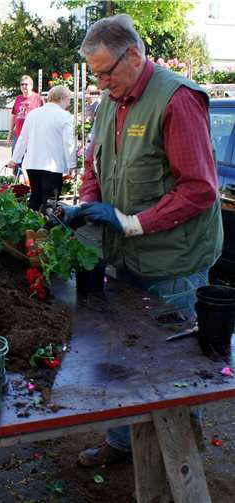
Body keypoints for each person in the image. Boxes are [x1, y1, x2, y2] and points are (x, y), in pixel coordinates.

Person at [61, 14, 222, 468]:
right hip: (125, 256)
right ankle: (122, 444)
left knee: (174, 367)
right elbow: (94, 165)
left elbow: (199, 188)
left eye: (107, 70)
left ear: (134, 55)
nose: (101, 82)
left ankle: (180, 462)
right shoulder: (110, 102)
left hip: (175, 263)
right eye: (95, 74)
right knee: (122, 352)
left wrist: (132, 223)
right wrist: (88, 205)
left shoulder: (177, 100)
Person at [7, 85, 75, 212]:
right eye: (68, 100)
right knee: (50, 203)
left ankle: (29, 227)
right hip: (53, 166)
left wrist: (15, 159)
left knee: (35, 198)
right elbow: (69, 142)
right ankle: (47, 229)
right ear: (62, 98)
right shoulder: (65, 116)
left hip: (33, 164)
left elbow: (22, 139)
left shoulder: (33, 114)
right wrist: (72, 164)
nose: (68, 104)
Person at [7, 75, 44, 151]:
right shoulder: (18, 98)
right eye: (22, 84)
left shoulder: (38, 98)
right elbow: (13, 116)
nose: (24, 86)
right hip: (18, 136)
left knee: (31, 161)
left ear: (31, 86)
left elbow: (45, 117)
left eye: (26, 84)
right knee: (15, 160)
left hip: (32, 137)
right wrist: (10, 133)